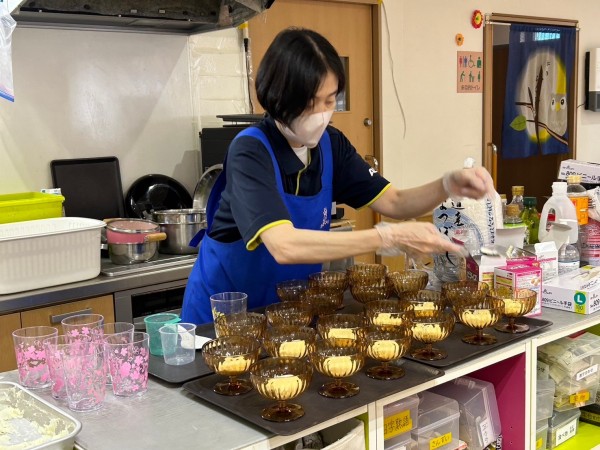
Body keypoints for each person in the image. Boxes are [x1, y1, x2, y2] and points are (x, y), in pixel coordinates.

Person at [181, 27, 495, 325]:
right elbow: (284, 245)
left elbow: (395, 202)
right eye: (309, 103)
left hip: (288, 314)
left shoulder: (331, 145)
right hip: (225, 320)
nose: (321, 113)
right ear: (277, 98)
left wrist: (446, 184)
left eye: (329, 100)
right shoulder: (250, 151)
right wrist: (387, 237)